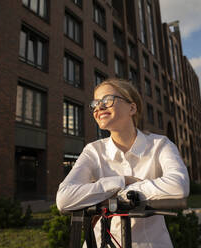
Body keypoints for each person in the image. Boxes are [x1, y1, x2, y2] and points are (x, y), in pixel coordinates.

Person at [56, 78, 190, 248]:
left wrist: (116, 195)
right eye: (95, 103)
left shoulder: (160, 144)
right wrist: (123, 181)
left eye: (107, 100)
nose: (99, 107)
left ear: (132, 108)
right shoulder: (93, 151)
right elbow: (64, 198)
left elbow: (178, 186)